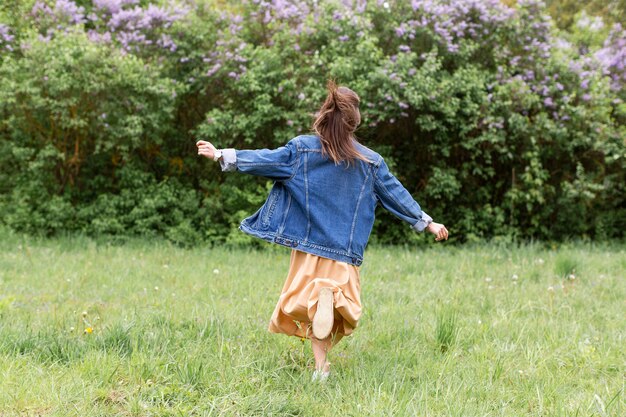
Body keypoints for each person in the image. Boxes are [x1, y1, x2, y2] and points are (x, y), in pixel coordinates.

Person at [196, 80, 449, 381]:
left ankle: (321, 368)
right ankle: (325, 322)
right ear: (355, 123)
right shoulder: (370, 162)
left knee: (306, 306)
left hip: (309, 247)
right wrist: (426, 221)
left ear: (323, 116)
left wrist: (223, 154)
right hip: (343, 251)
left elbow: (266, 159)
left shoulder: (302, 149)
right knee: (339, 311)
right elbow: (396, 194)